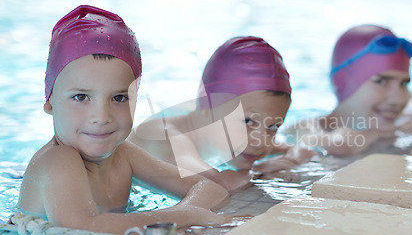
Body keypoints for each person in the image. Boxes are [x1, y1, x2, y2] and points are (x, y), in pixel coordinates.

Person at [16, 5, 230, 235]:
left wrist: (183, 211)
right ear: (50, 103)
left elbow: (211, 188)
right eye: (81, 97)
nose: (102, 117)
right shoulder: (57, 160)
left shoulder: (124, 155)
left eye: (119, 98)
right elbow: (81, 228)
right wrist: (184, 216)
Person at [128, 36, 314, 193]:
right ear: (207, 105)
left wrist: (292, 159)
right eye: (249, 121)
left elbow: (302, 150)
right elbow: (216, 186)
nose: (261, 141)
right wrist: (260, 170)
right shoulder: (166, 136)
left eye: (272, 127)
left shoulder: (237, 139)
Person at [284, 24, 412, 156]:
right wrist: (372, 135)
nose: (398, 99)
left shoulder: (406, 124)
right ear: (341, 81)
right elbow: (336, 145)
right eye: (381, 81)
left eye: (404, 83)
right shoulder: (303, 130)